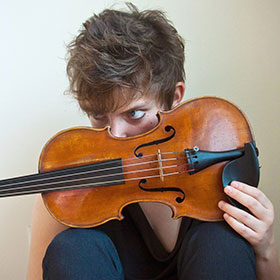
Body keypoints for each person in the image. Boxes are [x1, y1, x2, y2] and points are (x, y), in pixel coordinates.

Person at [27, 3, 280, 280]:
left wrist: (266, 248)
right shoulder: (68, 191)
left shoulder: (215, 167)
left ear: (174, 97)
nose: (116, 133)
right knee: (72, 248)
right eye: (99, 116)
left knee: (220, 240)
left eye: (134, 113)